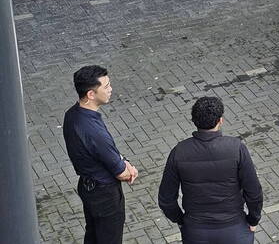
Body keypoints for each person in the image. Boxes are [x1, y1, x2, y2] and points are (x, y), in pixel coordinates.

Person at [158, 96, 263, 244]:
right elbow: (254, 192)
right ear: (220, 120)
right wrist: (253, 219)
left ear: (194, 121)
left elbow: (166, 199)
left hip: (195, 231)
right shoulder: (236, 148)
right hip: (235, 230)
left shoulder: (179, 152)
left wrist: (181, 221)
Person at [62, 65, 139, 244]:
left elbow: (105, 153)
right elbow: (122, 173)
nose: (110, 89)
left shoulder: (72, 115)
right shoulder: (93, 131)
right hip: (105, 196)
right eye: (106, 86)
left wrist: (121, 159)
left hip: (88, 188)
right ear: (91, 94)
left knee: (93, 235)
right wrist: (128, 167)